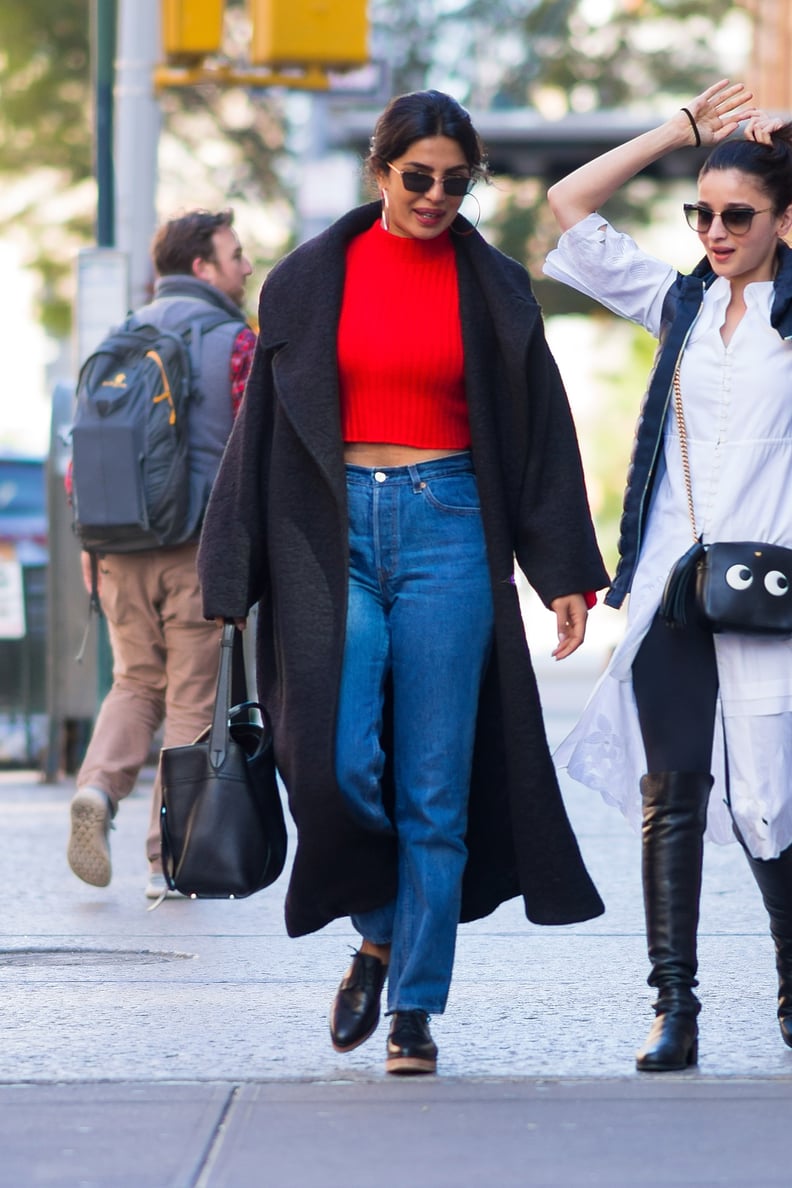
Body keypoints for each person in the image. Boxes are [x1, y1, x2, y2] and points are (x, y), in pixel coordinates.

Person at [198, 89, 608, 1076]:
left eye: (455, 183)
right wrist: (228, 567)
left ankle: (413, 1003)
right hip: (330, 538)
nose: (435, 197)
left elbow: (542, 435)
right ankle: (377, 930)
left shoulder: (498, 290)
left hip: (450, 529)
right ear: (380, 170)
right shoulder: (306, 282)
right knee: (334, 757)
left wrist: (561, 574)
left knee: (436, 790)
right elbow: (263, 437)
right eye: (417, 178)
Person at [544, 78, 792, 1071]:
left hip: (771, 591)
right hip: (673, 591)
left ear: (781, 217)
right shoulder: (680, 300)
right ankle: (674, 1008)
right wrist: (681, 132)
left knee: (768, 798)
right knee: (673, 791)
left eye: (739, 215)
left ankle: (787, 987)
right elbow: (568, 204)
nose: (717, 231)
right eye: (703, 212)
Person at [67, 208, 255, 900]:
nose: (245, 267)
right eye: (235, 255)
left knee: (134, 682)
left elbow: (78, 449)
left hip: (118, 544)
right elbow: (252, 451)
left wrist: (90, 540)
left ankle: (96, 789)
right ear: (202, 267)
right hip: (196, 546)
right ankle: (164, 858)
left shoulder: (120, 336)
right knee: (190, 700)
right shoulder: (236, 342)